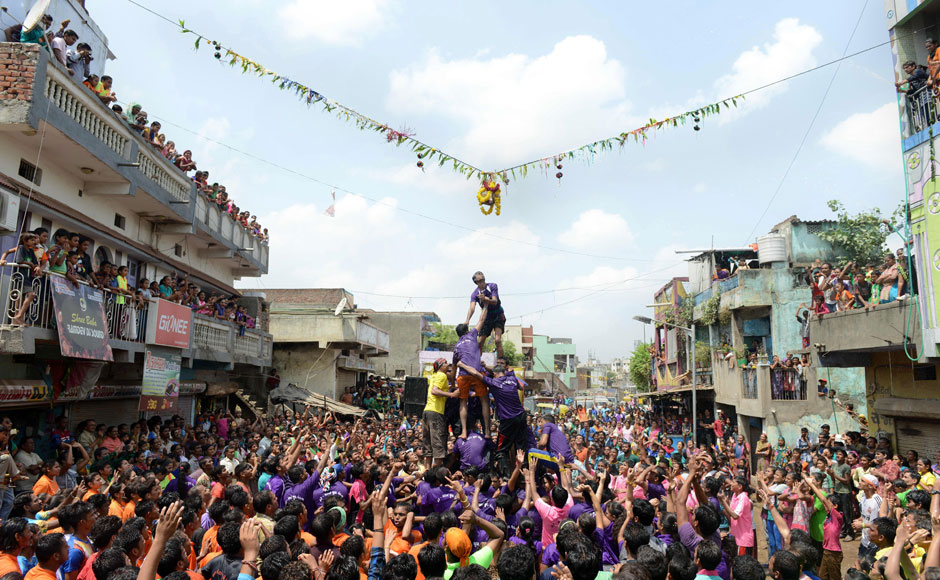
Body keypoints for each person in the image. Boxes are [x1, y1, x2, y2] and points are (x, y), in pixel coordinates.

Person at [453, 304, 491, 440]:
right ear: (467, 330)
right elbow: (481, 320)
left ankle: (463, 431)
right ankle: (487, 431)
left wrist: (452, 383)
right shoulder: (472, 334)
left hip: (463, 375)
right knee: (484, 401)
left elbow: (454, 367)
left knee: (463, 403)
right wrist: (485, 306)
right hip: (477, 373)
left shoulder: (456, 346)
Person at [464, 271, 506, 359]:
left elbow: (495, 301)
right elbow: (472, 307)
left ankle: (501, 362)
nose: (482, 282)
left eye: (483, 280)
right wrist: (467, 320)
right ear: (476, 283)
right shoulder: (475, 294)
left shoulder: (492, 286)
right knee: (480, 342)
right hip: (487, 317)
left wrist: (485, 299)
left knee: (497, 340)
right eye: (480, 281)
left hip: (498, 314)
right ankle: (477, 362)